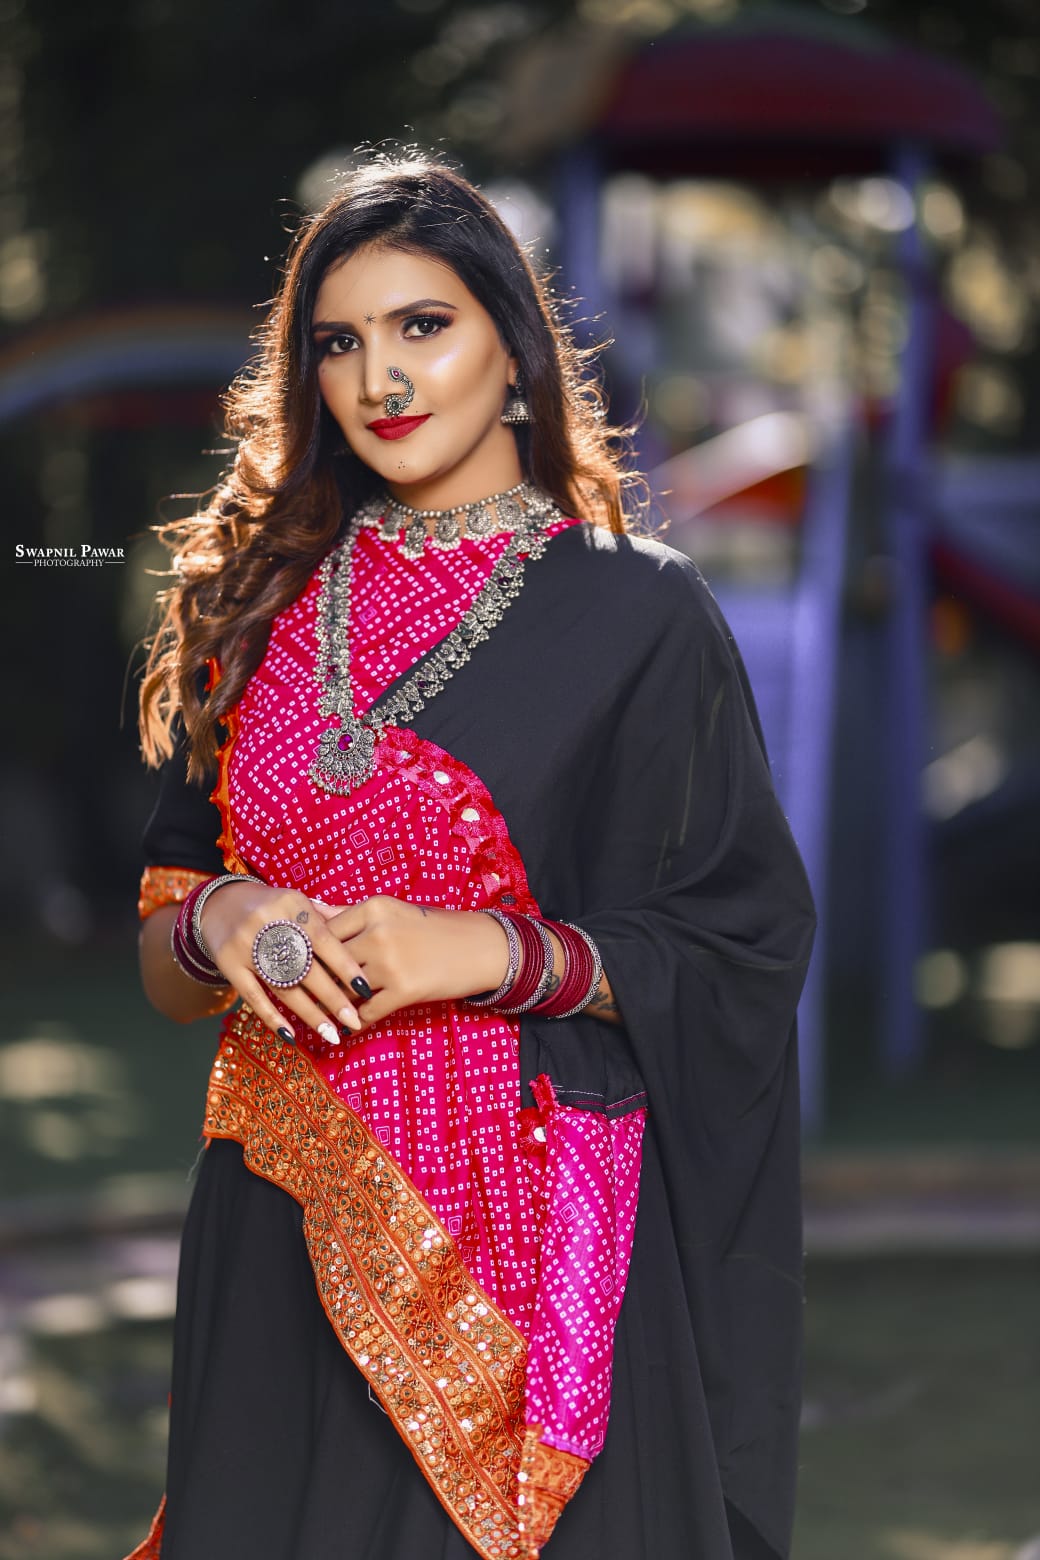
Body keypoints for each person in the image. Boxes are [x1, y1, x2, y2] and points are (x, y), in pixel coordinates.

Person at [130, 154, 815, 1560]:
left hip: (536, 1252)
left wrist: (493, 952)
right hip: (274, 1213)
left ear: (514, 348)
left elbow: (738, 945)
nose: (381, 376)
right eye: (340, 342)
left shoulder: (636, 616)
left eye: (423, 326)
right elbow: (162, 940)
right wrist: (225, 921)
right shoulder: (257, 603)